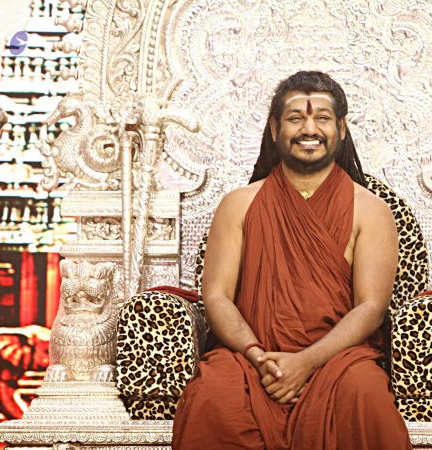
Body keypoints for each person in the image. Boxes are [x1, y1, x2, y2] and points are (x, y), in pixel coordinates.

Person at [172, 71, 412, 450]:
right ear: (274, 128)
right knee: (211, 398)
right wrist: (259, 358)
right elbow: (216, 296)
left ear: (341, 128)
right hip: (252, 359)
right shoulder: (239, 205)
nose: (309, 129)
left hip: (337, 359)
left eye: (322, 118)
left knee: (366, 397)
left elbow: (371, 307)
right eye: (296, 118)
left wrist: (306, 362)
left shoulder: (371, 210)